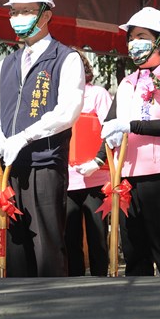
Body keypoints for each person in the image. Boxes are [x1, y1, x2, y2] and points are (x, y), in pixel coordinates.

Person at [0, 0, 85, 277]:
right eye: (14, 12)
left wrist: (26, 137)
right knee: (15, 247)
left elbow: (68, 111)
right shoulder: (8, 63)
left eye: (26, 11)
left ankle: (52, 305)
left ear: (46, 14)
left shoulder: (65, 58)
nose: (18, 18)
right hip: (10, 166)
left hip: (44, 163)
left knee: (46, 244)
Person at [77, 7, 160, 277]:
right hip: (127, 176)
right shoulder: (127, 82)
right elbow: (110, 125)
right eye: (131, 37)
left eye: (140, 36)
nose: (132, 43)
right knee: (134, 250)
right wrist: (97, 159)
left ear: (159, 40)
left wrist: (130, 126)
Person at [65, 50, 112, 276]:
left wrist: (98, 159)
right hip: (66, 179)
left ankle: (101, 278)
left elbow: (110, 131)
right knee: (69, 234)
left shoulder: (97, 94)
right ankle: (73, 281)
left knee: (97, 235)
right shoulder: (59, 98)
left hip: (95, 176)